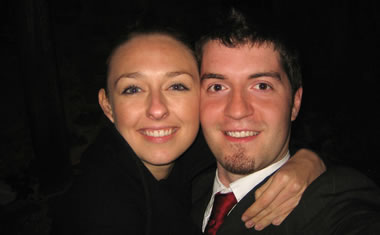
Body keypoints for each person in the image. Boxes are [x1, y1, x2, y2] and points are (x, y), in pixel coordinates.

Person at [50, 20, 325, 235]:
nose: (157, 109)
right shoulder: (102, 209)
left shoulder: (196, 152)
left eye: (177, 86)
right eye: (132, 89)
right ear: (107, 105)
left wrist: (308, 160)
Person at [191, 6, 380, 235]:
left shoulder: (329, 201)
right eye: (217, 87)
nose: (238, 110)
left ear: (295, 103)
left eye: (262, 86)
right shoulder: (183, 192)